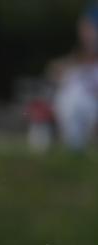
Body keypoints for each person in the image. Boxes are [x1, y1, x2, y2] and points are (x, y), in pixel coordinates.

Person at [49, 4, 98, 150]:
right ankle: (74, 146)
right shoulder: (77, 59)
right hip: (78, 114)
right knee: (71, 96)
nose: (85, 34)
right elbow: (54, 71)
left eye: (89, 29)